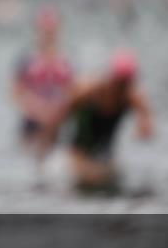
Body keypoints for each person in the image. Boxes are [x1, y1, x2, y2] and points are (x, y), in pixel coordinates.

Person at [45, 49, 153, 194]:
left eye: (126, 84)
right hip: (79, 147)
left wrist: (143, 127)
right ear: (112, 78)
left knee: (110, 175)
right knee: (88, 177)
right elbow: (62, 111)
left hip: (105, 149)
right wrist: (51, 136)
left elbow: (146, 118)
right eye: (119, 83)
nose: (121, 88)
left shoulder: (131, 96)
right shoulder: (90, 91)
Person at [11, 7, 73, 163]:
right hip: (32, 120)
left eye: (51, 29)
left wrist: (57, 111)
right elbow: (15, 92)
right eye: (45, 29)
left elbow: (73, 91)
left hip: (57, 120)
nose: (48, 33)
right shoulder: (27, 59)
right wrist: (37, 109)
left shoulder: (66, 61)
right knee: (29, 158)